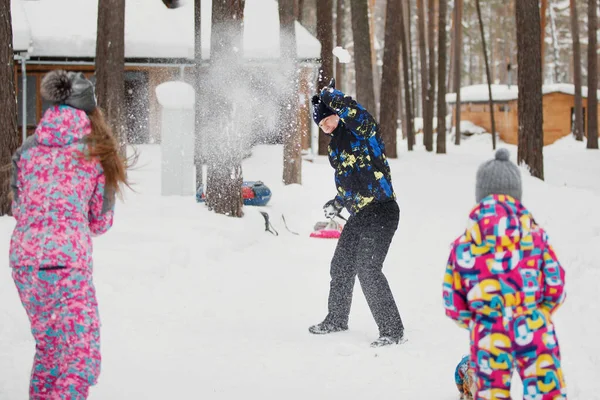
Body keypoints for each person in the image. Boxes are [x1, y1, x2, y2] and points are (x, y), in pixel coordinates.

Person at [10, 70, 129, 399]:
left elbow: (20, 207)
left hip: (24, 265)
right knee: (79, 357)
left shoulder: (27, 151)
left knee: (49, 350)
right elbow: (99, 223)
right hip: (65, 265)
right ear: (90, 111)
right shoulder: (96, 154)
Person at [442, 149, 567, 399]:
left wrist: (475, 321)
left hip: (489, 334)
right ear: (517, 196)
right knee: (545, 390)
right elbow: (555, 285)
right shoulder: (537, 237)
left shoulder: (464, 244)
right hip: (534, 329)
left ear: (480, 196)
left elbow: (453, 301)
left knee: (491, 393)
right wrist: (540, 312)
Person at [308, 80, 405, 347]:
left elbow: (357, 115)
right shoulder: (336, 147)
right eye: (321, 125)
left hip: (383, 209)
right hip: (361, 213)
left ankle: (392, 330)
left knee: (368, 267)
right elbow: (352, 180)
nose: (325, 127)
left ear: (337, 113)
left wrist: (333, 97)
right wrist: (338, 202)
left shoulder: (362, 131)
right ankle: (337, 319)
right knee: (341, 265)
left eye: (327, 119)